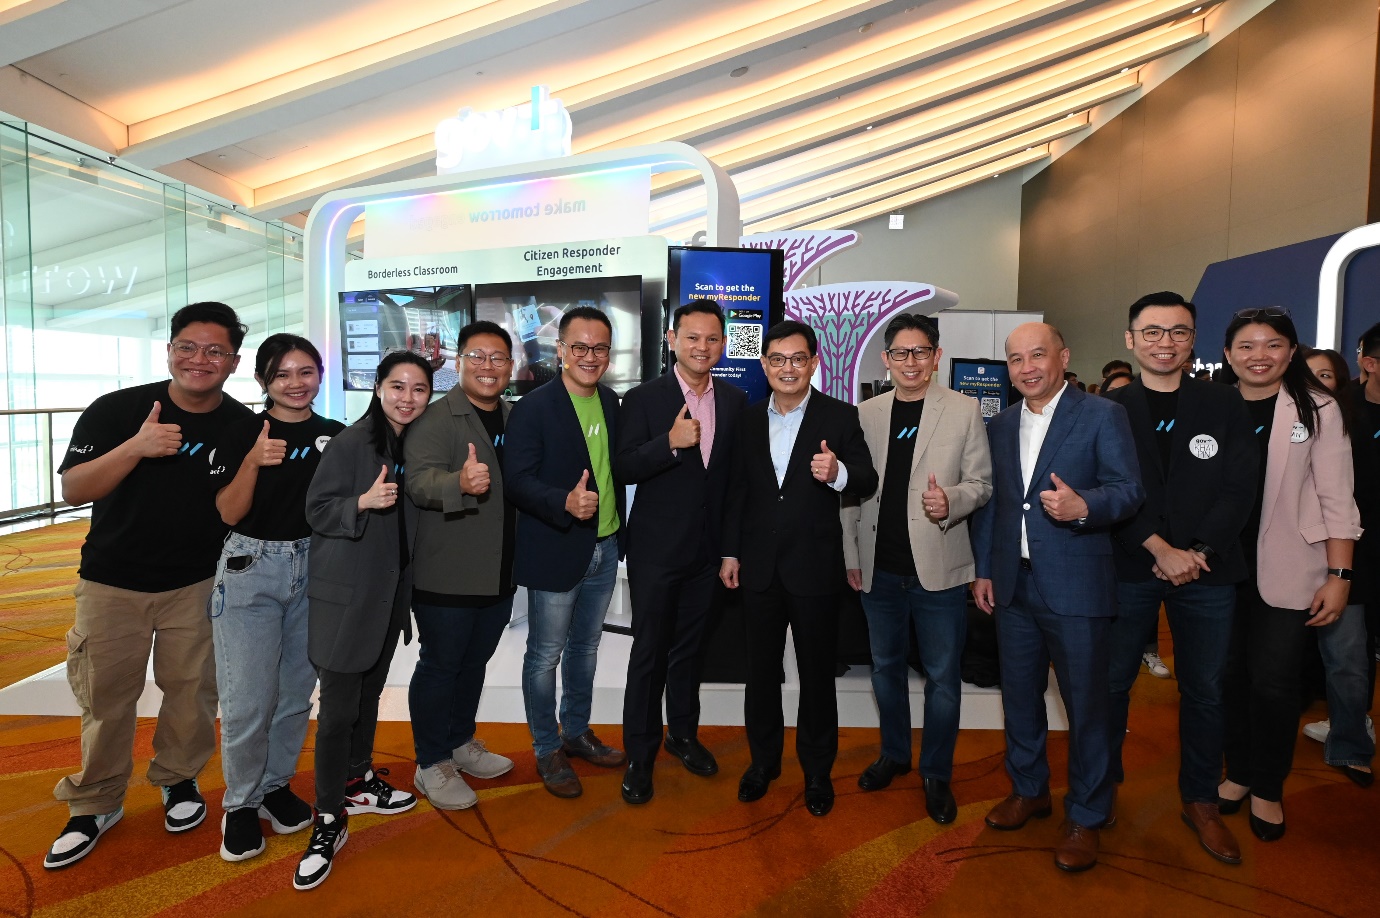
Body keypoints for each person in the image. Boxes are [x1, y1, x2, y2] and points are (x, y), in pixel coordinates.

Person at [46, 302, 254, 870]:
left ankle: (178, 779)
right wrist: (135, 447)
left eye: (215, 351)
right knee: (106, 697)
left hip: (196, 581)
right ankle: (95, 802)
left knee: (192, 693)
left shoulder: (239, 425)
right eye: (188, 346)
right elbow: (73, 489)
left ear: (232, 363)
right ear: (169, 350)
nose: (199, 359)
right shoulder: (117, 410)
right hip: (113, 582)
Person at [970, 322, 1142, 873]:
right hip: (1013, 585)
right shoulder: (997, 425)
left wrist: (1084, 506)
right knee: (1019, 697)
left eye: (1037, 355)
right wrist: (984, 571)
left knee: (1086, 706)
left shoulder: (1102, 415)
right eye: (1015, 359)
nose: (1027, 368)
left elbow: (1128, 490)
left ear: (1063, 356)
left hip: (1076, 584)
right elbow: (995, 507)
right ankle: (1030, 790)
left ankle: (1087, 813)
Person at [1102, 292, 1258, 865]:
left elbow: (1240, 489)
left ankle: (1200, 798)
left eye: (1178, 332)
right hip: (1131, 563)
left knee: (1206, 691)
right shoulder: (1111, 405)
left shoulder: (1224, 403)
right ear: (1131, 340)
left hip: (1208, 571)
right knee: (1113, 684)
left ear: (1193, 340)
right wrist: (1160, 548)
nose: (1165, 342)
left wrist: (1194, 551)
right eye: (1152, 332)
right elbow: (1108, 489)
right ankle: (1101, 790)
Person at [720, 320, 878, 818]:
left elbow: (868, 479)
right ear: (765, 365)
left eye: (797, 359)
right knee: (760, 674)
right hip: (759, 569)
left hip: (814, 568)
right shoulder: (746, 422)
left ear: (814, 363)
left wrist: (839, 475)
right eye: (777, 359)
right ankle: (762, 763)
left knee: (816, 676)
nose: (788, 368)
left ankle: (816, 771)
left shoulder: (840, 415)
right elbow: (737, 494)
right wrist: (729, 552)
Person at [1216, 309, 1362, 841]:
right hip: (1219, 568)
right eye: (1247, 346)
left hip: (1291, 567)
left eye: (1273, 345)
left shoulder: (1317, 408)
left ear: (1291, 351)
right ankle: (1239, 772)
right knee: (1227, 678)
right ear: (1228, 353)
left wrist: (1339, 573)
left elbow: (1338, 499)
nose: (1260, 356)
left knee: (1274, 683)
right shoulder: (1213, 406)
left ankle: (1268, 786)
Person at [841, 313, 992, 823]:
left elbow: (982, 484)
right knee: (884, 669)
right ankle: (894, 754)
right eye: (901, 353)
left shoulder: (965, 410)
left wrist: (950, 500)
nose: (911, 362)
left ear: (936, 357)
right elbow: (852, 492)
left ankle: (936, 772)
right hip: (877, 569)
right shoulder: (865, 413)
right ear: (885, 359)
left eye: (921, 352)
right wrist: (849, 556)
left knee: (943, 677)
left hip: (939, 570)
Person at [293, 351, 433, 891]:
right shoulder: (353, 443)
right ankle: (328, 817)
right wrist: (363, 501)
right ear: (378, 388)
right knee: (336, 712)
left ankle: (359, 779)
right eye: (397, 386)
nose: (407, 397)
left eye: (418, 389)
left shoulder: (410, 444)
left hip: (385, 596)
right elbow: (317, 509)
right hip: (347, 600)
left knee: (368, 696)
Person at [208, 334, 343, 861]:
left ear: (320, 375)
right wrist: (253, 462)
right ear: (264, 380)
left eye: (305, 371)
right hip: (250, 567)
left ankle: (274, 785)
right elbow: (228, 513)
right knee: (247, 699)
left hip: (315, 568)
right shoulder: (240, 432)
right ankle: (239, 804)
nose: (295, 383)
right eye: (282, 374)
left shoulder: (336, 435)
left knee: (293, 694)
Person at [614, 300, 748, 804]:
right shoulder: (643, 399)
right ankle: (640, 754)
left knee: (690, 651)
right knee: (649, 653)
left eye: (712, 339)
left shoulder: (735, 400)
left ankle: (683, 735)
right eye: (692, 337)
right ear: (672, 340)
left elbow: (734, 485)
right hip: (656, 550)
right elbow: (624, 466)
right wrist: (668, 444)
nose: (702, 347)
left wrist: (731, 551)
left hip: (708, 554)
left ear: (723, 344)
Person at [505, 306, 628, 799]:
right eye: (579, 347)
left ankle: (576, 732)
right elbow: (516, 481)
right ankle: (546, 747)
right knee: (545, 655)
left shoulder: (614, 404)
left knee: (586, 649)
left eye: (599, 348)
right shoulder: (533, 407)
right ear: (560, 349)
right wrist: (563, 502)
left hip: (606, 545)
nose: (590, 357)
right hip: (555, 547)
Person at [404, 322, 520, 811]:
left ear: (511, 367)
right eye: (478, 356)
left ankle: (459, 741)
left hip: (498, 571)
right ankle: (430, 762)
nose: (488, 367)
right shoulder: (436, 418)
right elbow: (419, 481)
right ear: (458, 362)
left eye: (498, 358)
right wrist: (460, 482)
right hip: (446, 572)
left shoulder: (516, 417)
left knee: (473, 664)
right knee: (440, 666)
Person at [1298, 342, 1374, 786]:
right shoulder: (1275, 425)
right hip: (1284, 562)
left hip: (1342, 559)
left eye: (1324, 377)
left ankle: (1350, 745)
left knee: (1347, 659)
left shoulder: (1355, 428)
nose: (1313, 386)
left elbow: (1345, 504)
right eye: (1305, 377)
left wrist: (1342, 570)